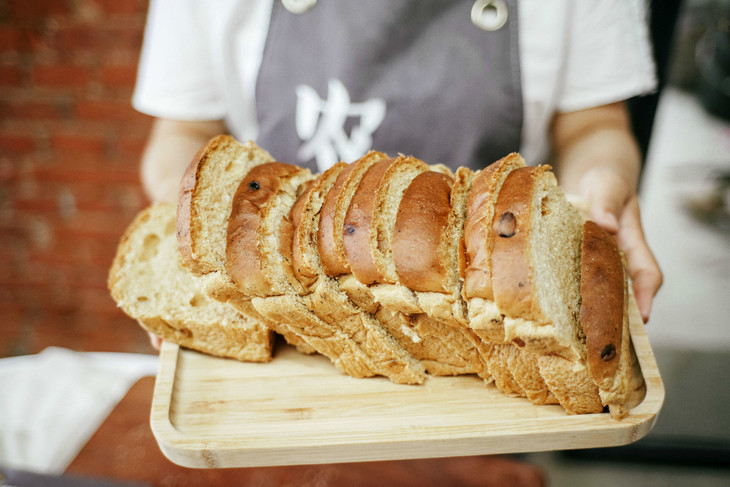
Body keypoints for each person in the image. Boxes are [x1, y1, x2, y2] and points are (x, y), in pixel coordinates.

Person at [133, 0, 662, 323]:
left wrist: (601, 183)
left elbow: (593, 126)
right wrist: (191, 233)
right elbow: (183, 132)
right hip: (280, 302)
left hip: (496, 292)